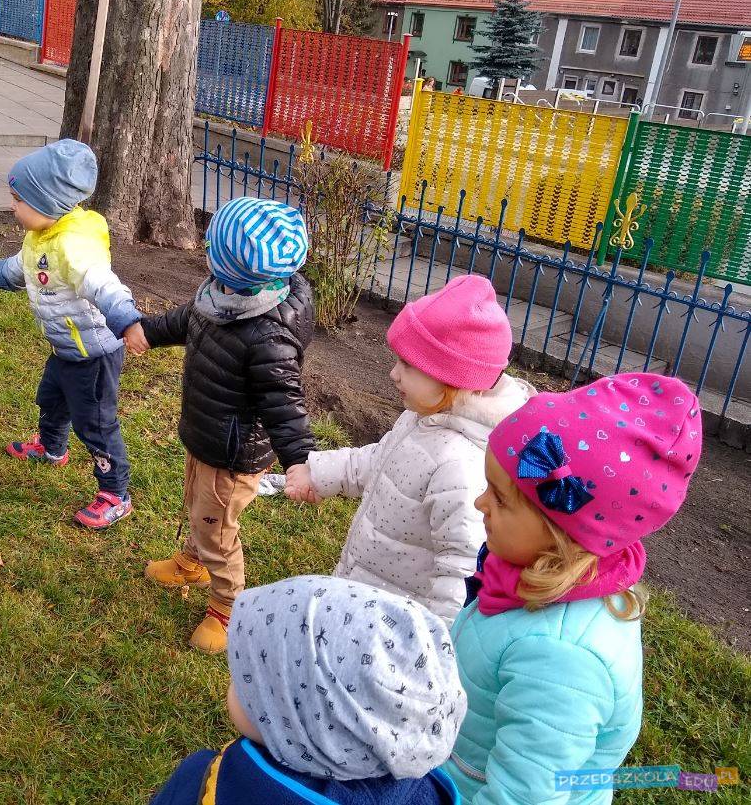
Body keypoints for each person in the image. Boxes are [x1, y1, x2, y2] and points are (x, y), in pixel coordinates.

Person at [445, 373, 701, 804]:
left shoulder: (560, 659)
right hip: (465, 761)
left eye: (501, 499)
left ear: (563, 532)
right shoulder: (529, 574)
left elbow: (524, 795)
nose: (479, 504)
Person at [285, 275, 532, 626]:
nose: (393, 374)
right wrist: (320, 473)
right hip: (367, 591)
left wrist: (432, 645)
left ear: (452, 378)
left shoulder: (461, 467)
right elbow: (380, 460)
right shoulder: (424, 417)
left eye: (408, 365)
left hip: (396, 625)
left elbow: (460, 570)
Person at [137, 197, 314, 654]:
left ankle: (227, 605)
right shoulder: (226, 294)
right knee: (197, 505)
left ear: (232, 266)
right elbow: (189, 317)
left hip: (235, 452)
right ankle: (192, 564)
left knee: (216, 526)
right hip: (206, 432)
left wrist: (300, 461)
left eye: (212, 246)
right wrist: (150, 331)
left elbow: (283, 403)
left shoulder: (269, 334)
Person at [150, 575, 466, 805]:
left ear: (305, 729)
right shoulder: (425, 792)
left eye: (253, 680)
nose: (234, 681)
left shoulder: (211, 781)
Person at [0, 140, 146, 530]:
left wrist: (128, 321)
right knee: (51, 399)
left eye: (18, 200)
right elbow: (23, 268)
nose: (13, 207)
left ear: (48, 203)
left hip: (94, 353)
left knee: (96, 424)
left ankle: (116, 493)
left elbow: (105, 286)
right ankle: (51, 448)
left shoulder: (73, 246)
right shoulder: (42, 235)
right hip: (66, 346)